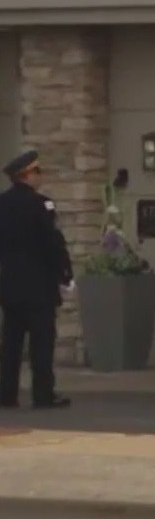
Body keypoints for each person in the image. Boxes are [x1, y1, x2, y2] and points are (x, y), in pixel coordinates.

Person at [0, 151, 72, 409]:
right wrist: (65, 272)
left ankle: (6, 394)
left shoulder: (2, 204)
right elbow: (53, 243)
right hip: (39, 285)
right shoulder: (42, 204)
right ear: (27, 175)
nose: (40, 177)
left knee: (11, 343)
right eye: (37, 171)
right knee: (41, 343)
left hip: (9, 284)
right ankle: (43, 394)